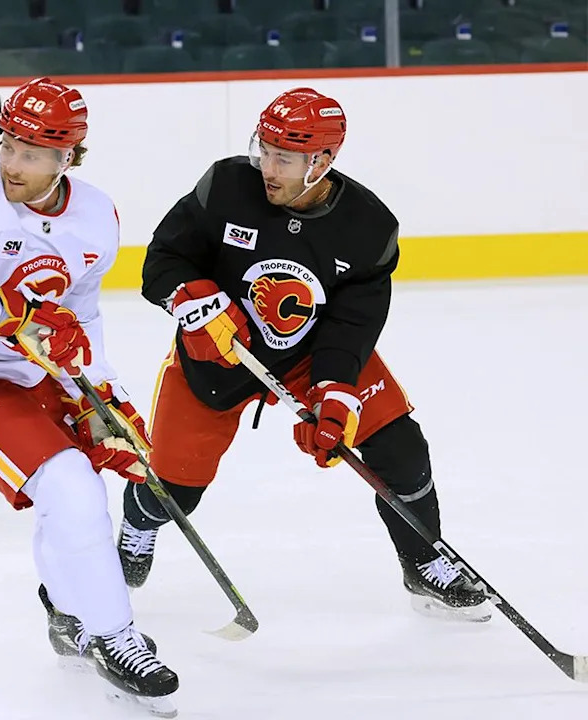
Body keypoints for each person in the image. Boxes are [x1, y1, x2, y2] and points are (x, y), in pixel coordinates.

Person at [115, 87, 490, 623]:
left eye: (284, 158)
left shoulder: (368, 227)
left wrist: (336, 388)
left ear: (323, 160)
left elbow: (353, 322)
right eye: (263, 150)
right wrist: (192, 300)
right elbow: (163, 261)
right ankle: (139, 521)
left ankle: (424, 561)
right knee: (176, 488)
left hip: (310, 355)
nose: (268, 166)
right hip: (217, 354)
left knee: (399, 447)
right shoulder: (226, 185)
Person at [0, 77, 180, 707]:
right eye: (7, 144)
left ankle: (71, 612)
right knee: (69, 482)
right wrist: (10, 320)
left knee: (80, 487)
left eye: (31, 153)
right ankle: (114, 634)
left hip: (32, 371)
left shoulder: (97, 214)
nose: (12, 163)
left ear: (67, 156)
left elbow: (81, 315)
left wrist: (100, 393)